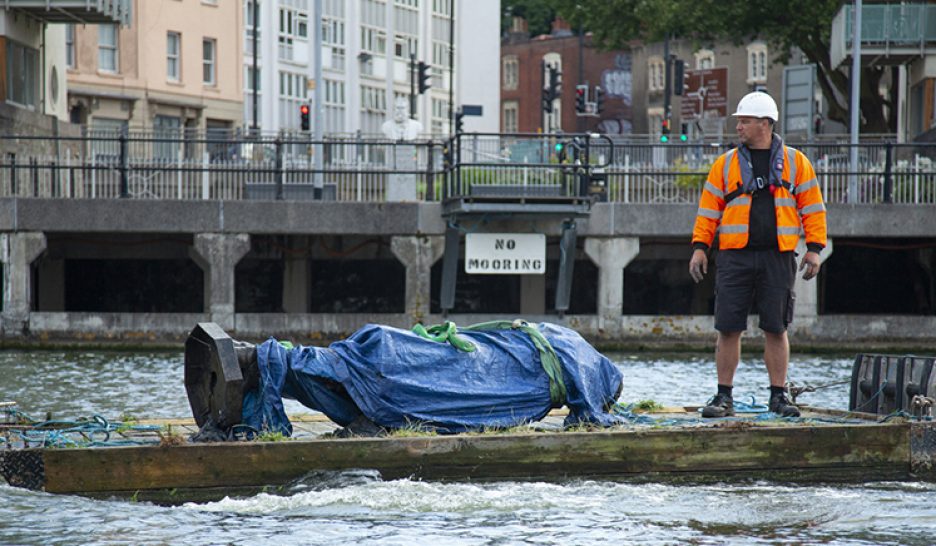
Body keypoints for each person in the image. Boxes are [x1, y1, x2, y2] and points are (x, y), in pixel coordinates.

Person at [688, 91, 827, 418]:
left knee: (776, 328)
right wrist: (699, 247)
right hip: (734, 256)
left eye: (745, 121)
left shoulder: (797, 163)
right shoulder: (725, 165)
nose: (738, 127)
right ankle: (724, 397)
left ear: (765, 123)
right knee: (728, 327)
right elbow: (708, 211)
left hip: (778, 256)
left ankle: (778, 396)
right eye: (739, 121)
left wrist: (814, 249)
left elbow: (813, 208)